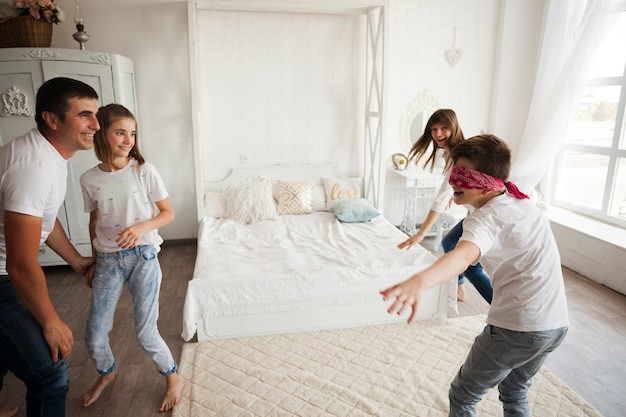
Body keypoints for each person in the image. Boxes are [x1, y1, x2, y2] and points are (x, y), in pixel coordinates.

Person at [382, 134, 569, 416]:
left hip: (516, 328)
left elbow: (463, 256)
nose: (452, 180)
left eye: (462, 173)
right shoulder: (523, 204)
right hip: (555, 325)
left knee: (463, 394)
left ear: (485, 184)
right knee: (515, 390)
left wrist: (422, 279)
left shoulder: (486, 219)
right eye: (453, 170)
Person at [0, 77, 99, 417]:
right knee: (49, 371)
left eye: (96, 115)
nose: (96, 125)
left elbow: (43, 218)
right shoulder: (34, 168)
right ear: (52, 119)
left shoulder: (48, 154)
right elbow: (20, 265)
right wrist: (51, 321)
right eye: (85, 115)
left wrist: (75, 260)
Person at [79, 103, 184, 413]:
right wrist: (95, 259)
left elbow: (167, 213)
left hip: (144, 257)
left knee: (145, 331)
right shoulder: (88, 179)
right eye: (120, 132)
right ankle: (107, 373)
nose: (128, 140)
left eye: (133, 133)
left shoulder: (143, 170)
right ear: (102, 135)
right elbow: (94, 221)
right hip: (108, 262)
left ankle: (173, 377)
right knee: (95, 334)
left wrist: (140, 228)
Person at [398, 109, 493, 304]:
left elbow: (440, 199)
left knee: (464, 259)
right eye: (433, 129)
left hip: (487, 211)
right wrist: (457, 192)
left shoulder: (460, 154)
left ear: (454, 127)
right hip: (483, 208)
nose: (438, 134)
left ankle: (494, 303)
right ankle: (462, 287)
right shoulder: (456, 151)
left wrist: (420, 234)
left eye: (443, 128)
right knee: (451, 245)